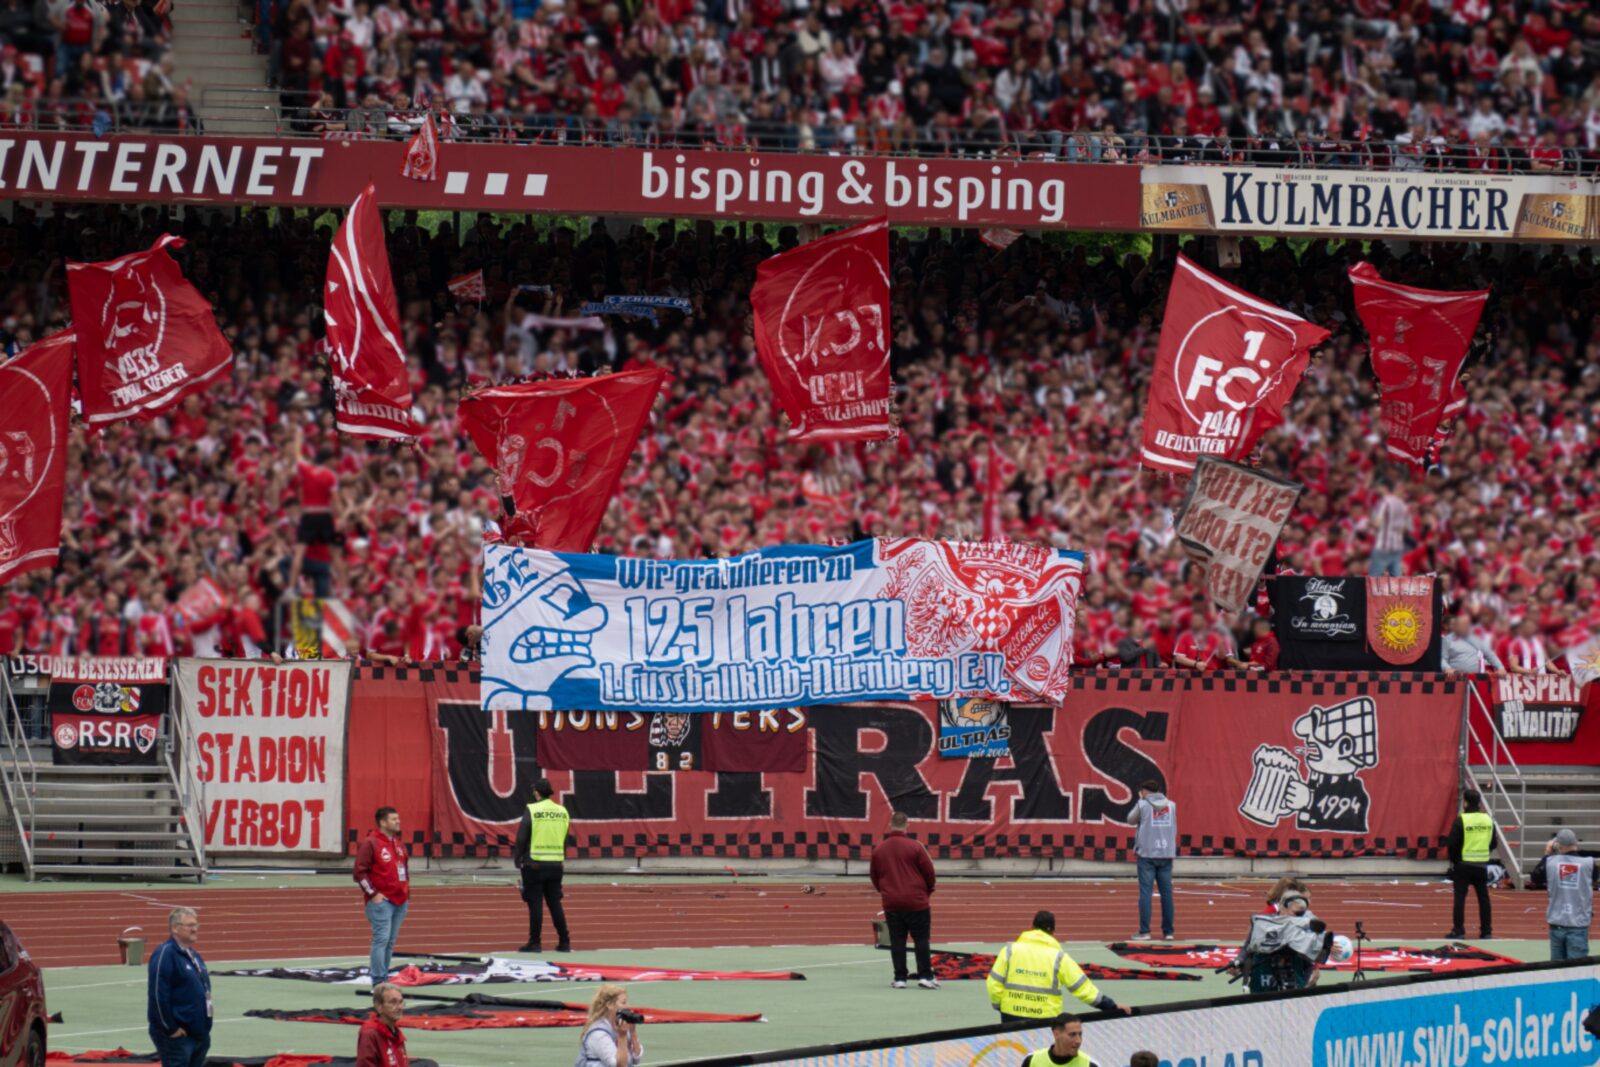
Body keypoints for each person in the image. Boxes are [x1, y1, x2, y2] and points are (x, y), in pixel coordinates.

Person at [988, 911, 1130, 1023]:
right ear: (1053, 932)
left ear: (1031, 927)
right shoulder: (1059, 957)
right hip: (1045, 1017)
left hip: (1011, 1014)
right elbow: (1083, 989)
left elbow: (993, 983)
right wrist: (1111, 1006)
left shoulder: (1009, 950)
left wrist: (999, 1006)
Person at [869, 810, 939, 989]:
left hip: (892, 903)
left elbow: (874, 876)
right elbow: (929, 873)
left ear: (890, 825)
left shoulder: (879, 849)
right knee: (921, 939)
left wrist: (885, 891)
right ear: (907, 825)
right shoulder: (916, 846)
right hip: (916, 902)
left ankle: (900, 978)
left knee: (897, 941)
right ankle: (925, 975)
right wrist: (927, 891)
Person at [1229, 889, 1333, 994]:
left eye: (1301, 914)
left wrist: (1304, 986)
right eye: (1295, 913)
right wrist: (1238, 963)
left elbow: (1309, 964)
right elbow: (1248, 948)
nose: (1298, 918)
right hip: (1262, 982)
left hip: (1294, 984)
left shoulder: (1306, 929)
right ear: (1282, 908)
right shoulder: (1262, 924)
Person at [147, 908, 212, 1067]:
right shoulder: (166, 953)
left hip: (198, 1034)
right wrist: (170, 1029)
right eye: (189, 925)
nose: (195, 929)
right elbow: (158, 994)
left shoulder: (193, 955)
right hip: (178, 1036)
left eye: (196, 924)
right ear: (175, 928)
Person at [515, 777, 573, 952]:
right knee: (555, 903)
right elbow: (564, 837)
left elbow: (522, 836)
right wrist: (560, 858)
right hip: (556, 864)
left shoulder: (532, 809)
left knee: (535, 904)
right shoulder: (562, 811)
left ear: (536, 793)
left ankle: (535, 942)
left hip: (535, 864)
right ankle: (564, 941)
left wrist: (518, 857)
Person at [354, 806, 410, 983]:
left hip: (400, 900)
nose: (398, 822)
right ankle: (378, 981)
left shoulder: (398, 843)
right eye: (394, 819)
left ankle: (383, 977)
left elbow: (403, 869)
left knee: (390, 942)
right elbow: (359, 872)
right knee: (381, 940)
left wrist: (406, 892)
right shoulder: (371, 842)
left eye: (398, 819)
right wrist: (373, 894)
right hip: (382, 901)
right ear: (383, 822)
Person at [1445, 789, 1494, 939]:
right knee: (1484, 898)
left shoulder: (1462, 820)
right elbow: (1494, 843)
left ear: (1465, 802)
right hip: (1481, 865)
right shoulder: (1488, 820)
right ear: (1479, 803)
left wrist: (1454, 861)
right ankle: (1486, 931)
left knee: (1460, 898)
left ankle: (1458, 930)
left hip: (1463, 865)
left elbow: (1452, 844)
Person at [1540, 829, 1595, 960]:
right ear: (1575, 842)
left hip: (1557, 923)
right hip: (1578, 923)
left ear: (1558, 845)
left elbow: (1536, 876)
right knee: (1577, 970)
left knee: (1557, 971)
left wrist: (1548, 853)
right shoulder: (1588, 863)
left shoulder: (1550, 862)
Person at [1130, 780, 1175, 941]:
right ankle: (1168, 932)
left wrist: (1140, 801)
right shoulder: (1171, 805)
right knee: (1167, 894)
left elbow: (1130, 820)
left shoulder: (1143, 805)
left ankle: (1145, 931)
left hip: (1147, 854)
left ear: (1145, 791)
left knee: (1145, 893)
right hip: (1166, 853)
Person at [575, 983, 643, 1067]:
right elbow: (619, 1065)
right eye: (623, 1003)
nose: (627, 1006)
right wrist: (622, 1037)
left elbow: (636, 1059)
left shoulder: (620, 1026)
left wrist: (633, 1033)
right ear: (610, 1005)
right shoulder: (598, 1033)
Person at [356, 983, 408, 1067]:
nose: (399, 1007)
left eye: (401, 1002)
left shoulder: (395, 1031)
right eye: (393, 1002)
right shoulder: (370, 1033)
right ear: (379, 1006)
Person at [1019, 1015, 1098, 1067]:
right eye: (1072, 1035)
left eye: (1080, 1034)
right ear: (1056, 1034)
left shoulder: (1089, 1065)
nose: (1078, 1040)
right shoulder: (1032, 1061)